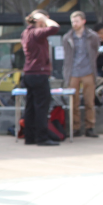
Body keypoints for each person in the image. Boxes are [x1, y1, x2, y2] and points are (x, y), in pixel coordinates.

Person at [22, 10, 61, 147]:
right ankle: (42, 138)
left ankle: (30, 137)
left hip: (29, 74)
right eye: (44, 20)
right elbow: (55, 28)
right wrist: (44, 18)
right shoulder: (37, 33)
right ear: (39, 20)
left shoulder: (26, 32)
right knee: (41, 107)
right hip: (39, 73)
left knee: (30, 107)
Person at [62, 11, 101, 138]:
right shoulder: (67, 37)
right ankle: (75, 127)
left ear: (83, 21)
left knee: (90, 101)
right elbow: (67, 56)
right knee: (74, 102)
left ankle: (90, 127)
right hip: (73, 72)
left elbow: (96, 51)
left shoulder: (92, 36)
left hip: (88, 71)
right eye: (73, 21)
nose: (74, 24)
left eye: (77, 21)